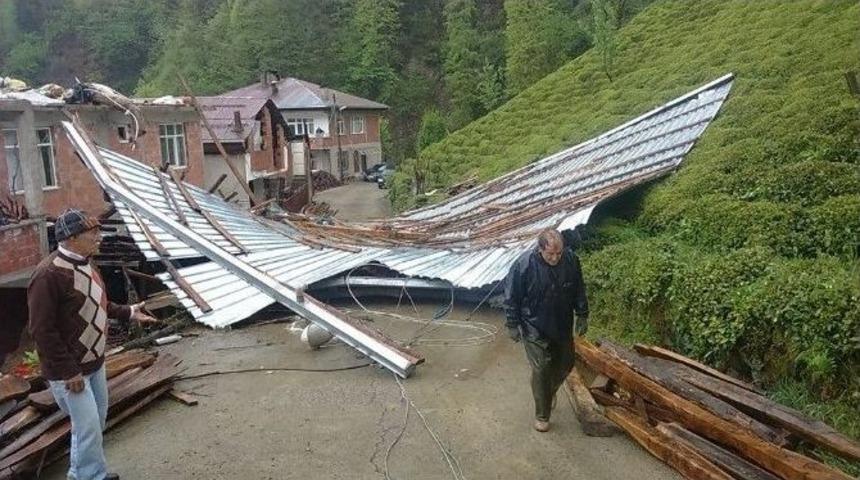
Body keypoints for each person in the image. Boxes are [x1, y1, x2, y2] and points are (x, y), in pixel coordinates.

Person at [28, 209, 157, 480]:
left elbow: (99, 304)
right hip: (70, 371)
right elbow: (42, 331)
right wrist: (69, 372)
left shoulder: (88, 264)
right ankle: (87, 476)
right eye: (93, 233)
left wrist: (129, 312)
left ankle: (88, 473)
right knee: (87, 426)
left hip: (94, 363)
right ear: (72, 237)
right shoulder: (48, 275)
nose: (99, 237)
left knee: (95, 422)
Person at [504, 228, 589, 432]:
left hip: (561, 321)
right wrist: (512, 323)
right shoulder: (524, 264)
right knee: (542, 367)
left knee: (566, 364)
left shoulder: (571, 260)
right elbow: (511, 296)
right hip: (533, 324)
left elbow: (579, 288)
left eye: (559, 253)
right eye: (550, 253)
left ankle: (546, 392)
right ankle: (542, 415)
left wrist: (582, 313)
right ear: (540, 249)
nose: (555, 258)